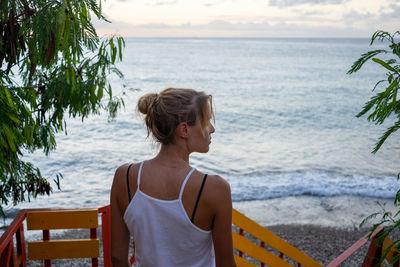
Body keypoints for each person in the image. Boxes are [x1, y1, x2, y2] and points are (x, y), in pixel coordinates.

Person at [110, 88, 236, 267]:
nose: (212, 129)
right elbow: (226, 264)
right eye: (207, 121)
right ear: (184, 129)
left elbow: (117, 257)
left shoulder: (125, 177)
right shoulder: (215, 189)